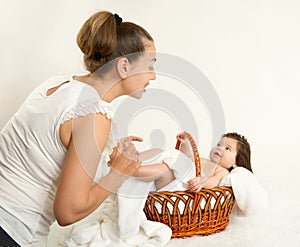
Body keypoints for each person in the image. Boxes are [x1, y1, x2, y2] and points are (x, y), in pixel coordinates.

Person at [0, 10, 157, 246]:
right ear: (124, 67)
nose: (153, 77)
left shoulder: (58, 85)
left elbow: (42, 156)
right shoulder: (92, 113)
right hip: (11, 231)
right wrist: (118, 174)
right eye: (150, 65)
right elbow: (68, 211)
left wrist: (108, 159)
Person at [177, 132, 252, 192]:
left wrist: (203, 182)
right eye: (219, 145)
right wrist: (184, 144)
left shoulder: (222, 171)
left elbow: (214, 181)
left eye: (227, 148)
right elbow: (187, 159)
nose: (220, 148)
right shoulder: (203, 160)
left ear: (237, 163)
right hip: (178, 175)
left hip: (184, 185)